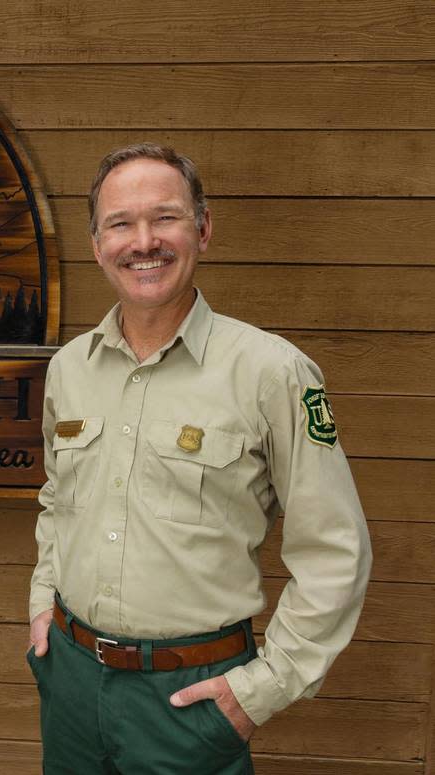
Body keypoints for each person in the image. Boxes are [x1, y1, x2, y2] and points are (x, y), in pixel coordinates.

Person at [27, 143, 371, 774]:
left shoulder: (273, 372)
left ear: (203, 230)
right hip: (70, 683)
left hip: (190, 697)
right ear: (96, 242)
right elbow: (58, 502)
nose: (143, 241)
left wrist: (260, 690)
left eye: (166, 218)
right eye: (120, 224)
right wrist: (42, 602)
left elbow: (336, 549)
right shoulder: (68, 369)